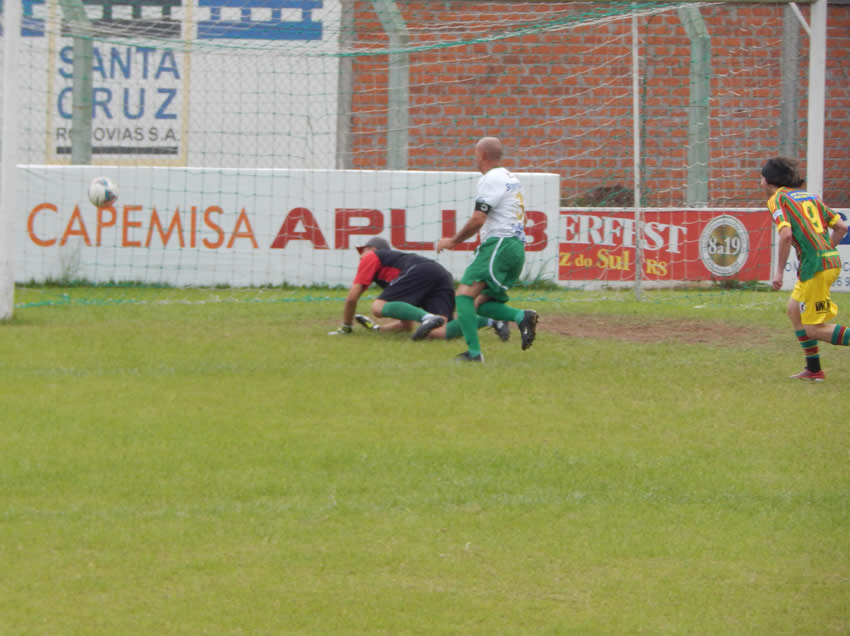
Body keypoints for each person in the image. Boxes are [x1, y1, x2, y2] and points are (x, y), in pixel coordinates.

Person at [433, 136, 538, 363]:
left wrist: (452, 241)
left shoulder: (490, 179)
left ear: (480, 155)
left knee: (463, 296)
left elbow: (478, 219)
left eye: (475, 154)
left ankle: (474, 354)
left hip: (499, 245)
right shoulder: (511, 178)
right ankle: (521, 316)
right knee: (485, 304)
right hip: (515, 248)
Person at [763, 157, 849, 381]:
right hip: (826, 262)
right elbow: (841, 226)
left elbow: (786, 235)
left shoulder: (777, 199)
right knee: (794, 310)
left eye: (761, 178)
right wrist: (826, 250)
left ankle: (814, 370)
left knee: (813, 329)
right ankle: (813, 369)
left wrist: (779, 272)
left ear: (768, 180)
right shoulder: (809, 196)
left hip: (816, 267)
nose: (760, 183)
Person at [328, 236, 510, 341]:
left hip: (421, 270)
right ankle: (490, 320)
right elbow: (406, 325)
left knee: (377, 307)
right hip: (440, 275)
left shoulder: (372, 257)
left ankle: (428, 317)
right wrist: (377, 329)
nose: (361, 256)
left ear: (372, 249)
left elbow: (352, 298)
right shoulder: (391, 275)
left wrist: (346, 327)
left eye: (363, 250)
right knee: (439, 332)